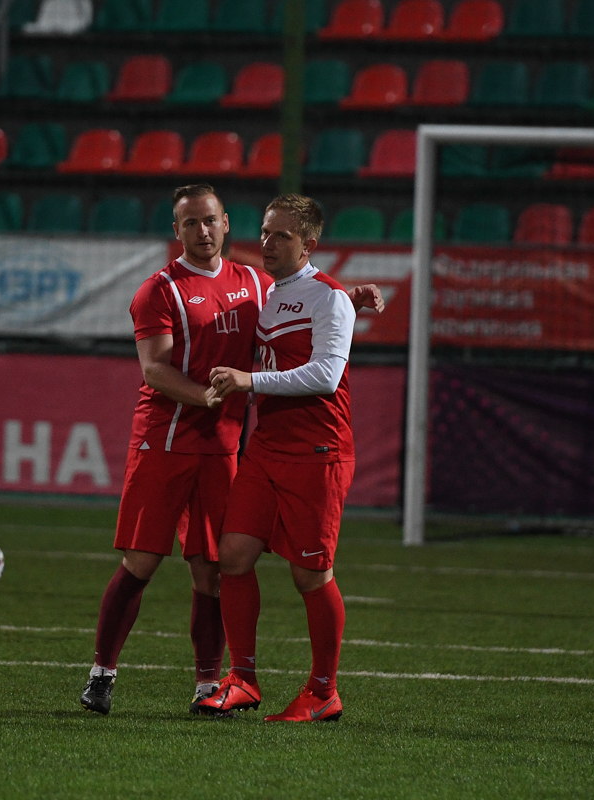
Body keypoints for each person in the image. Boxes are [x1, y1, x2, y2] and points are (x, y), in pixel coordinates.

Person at [79, 186, 380, 716]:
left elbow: (311, 307)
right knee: (148, 561)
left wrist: (345, 299)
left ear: (224, 224)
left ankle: (221, 683)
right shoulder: (159, 290)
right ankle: (103, 673)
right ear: (177, 230)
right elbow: (154, 369)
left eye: (210, 220)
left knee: (219, 568)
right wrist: (207, 396)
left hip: (235, 447)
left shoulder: (253, 283)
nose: (202, 231)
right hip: (167, 440)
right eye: (190, 223)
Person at [197, 194, 356, 722]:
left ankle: (324, 691)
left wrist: (250, 380)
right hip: (267, 448)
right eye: (265, 232)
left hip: (318, 451)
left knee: (311, 575)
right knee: (234, 556)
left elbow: (326, 375)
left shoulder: (330, 297)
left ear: (309, 244)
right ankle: (243, 678)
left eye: (281, 235)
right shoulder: (267, 290)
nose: (267, 242)